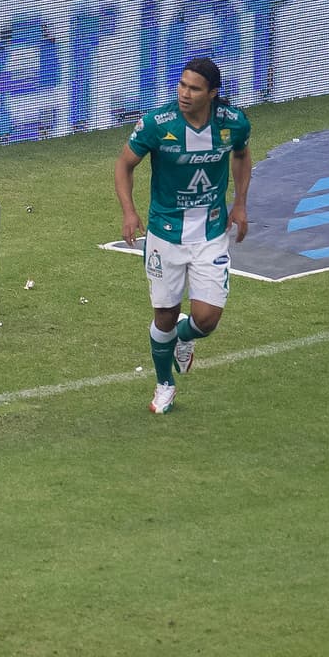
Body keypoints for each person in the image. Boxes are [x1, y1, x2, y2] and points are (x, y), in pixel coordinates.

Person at [113, 57, 252, 414]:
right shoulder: (157, 124)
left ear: (212, 93)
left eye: (194, 88)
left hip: (210, 232)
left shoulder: (233, 123)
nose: (185, 93)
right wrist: (130, 212)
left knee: (207, 319)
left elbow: (241, 154)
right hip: (165, 235)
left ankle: (182, 339)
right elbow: (124, 164)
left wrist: (240, 204)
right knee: (165, 315)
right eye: (182, 85)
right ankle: (164, 385)